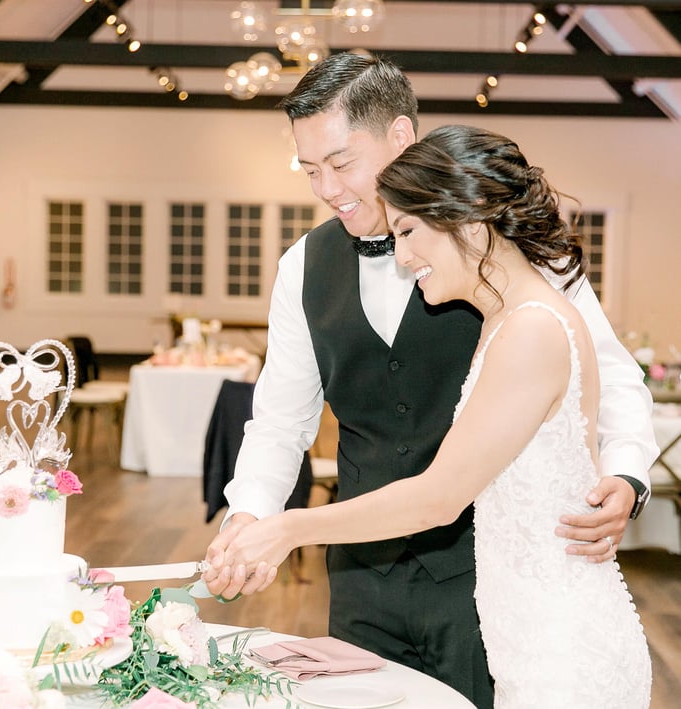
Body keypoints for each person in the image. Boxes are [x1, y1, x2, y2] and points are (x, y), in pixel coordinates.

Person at [203, 53, 657, 707]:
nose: (326, 188)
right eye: (309, 170)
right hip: (360, 577)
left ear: (400, 137)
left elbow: (606, 373)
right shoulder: (303, 265)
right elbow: (279, 420)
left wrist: (627, 471)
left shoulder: (510, 251)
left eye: (340, 162)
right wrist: (250, 520)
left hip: (481, 581)